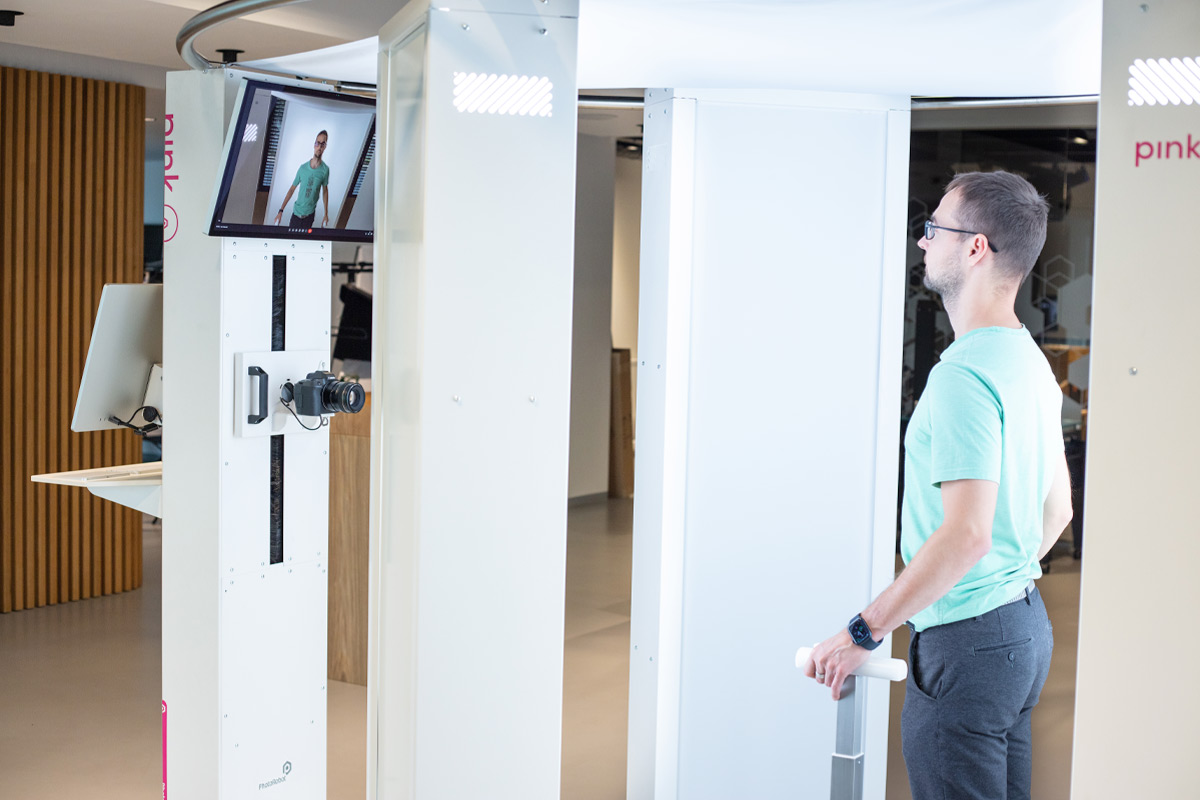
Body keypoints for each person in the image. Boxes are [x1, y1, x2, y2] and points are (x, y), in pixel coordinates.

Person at [802, 170, 1073, 800]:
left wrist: (860, 634)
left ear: (976, 247)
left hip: (969, 643)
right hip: (1023, 630)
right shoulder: (1030, 360)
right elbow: (1056, 509)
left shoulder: (963, 377)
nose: (923, 243)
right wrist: (1002, 584)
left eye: (934, 229)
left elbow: (967, 535)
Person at [274, 130, 330, 229]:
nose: (319, 147)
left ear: (325, 146)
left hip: (310, 216)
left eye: (323, 144)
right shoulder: (302, 168)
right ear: (314, 144)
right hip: (296, 214)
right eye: (318, 143)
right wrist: (280, 211)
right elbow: (292, 189)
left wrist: (326, 214)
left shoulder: (325, 170)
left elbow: (325, 191)